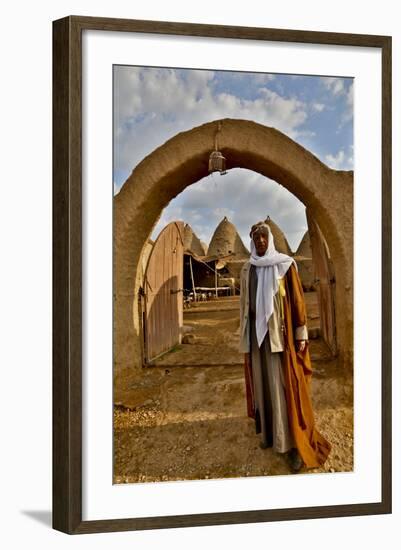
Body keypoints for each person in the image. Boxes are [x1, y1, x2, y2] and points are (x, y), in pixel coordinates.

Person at [239, 221, 331, 472]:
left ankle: (292, 445)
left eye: (263, 237)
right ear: (252, 241)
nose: (260, 242)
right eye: (256, 238)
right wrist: (245, 337)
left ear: (270, 239)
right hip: (258, 341)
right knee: (264, 386)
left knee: (283, 387)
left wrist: (301, 333)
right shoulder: (248, 269)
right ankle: (270, 436)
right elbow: (244, 307)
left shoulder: (284, 265)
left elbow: (297, 300)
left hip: (281, 339)